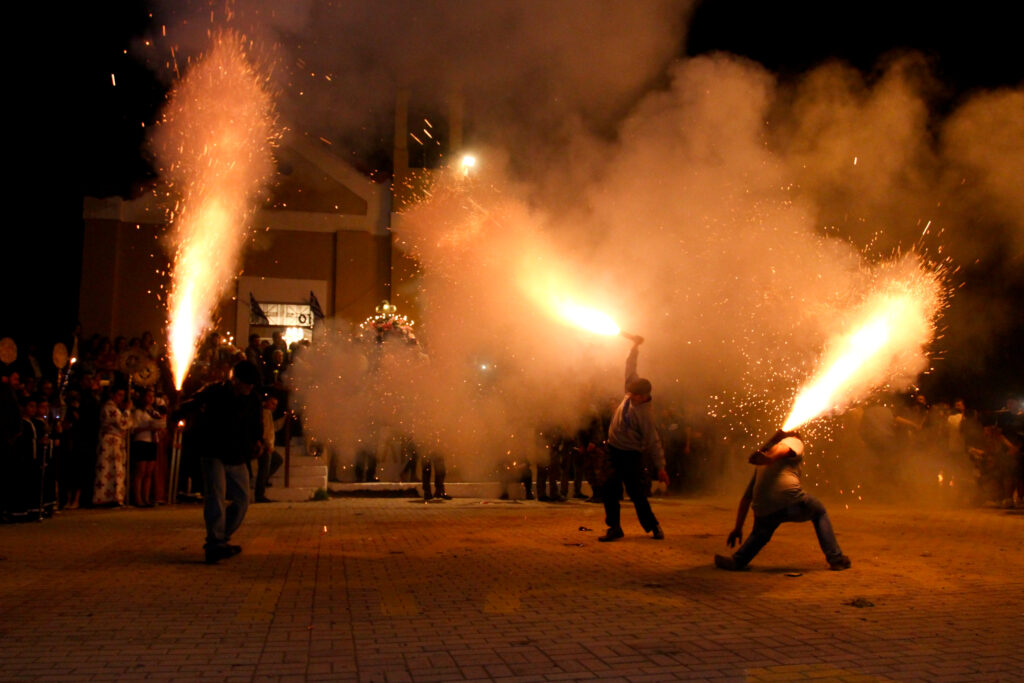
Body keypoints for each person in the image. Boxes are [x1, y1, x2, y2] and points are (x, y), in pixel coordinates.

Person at [715, 432, 851, 571]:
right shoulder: (792, 440)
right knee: (819, 511)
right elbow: (784, 449)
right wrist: (769, 459)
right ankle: (836, 559)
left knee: (760, 533)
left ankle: (738, 561)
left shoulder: (760, 464)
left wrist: (738, 528)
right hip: (790, 500)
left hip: (764, 510)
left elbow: (746, 498)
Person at [181, 360, 262, 564]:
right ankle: (215, 543)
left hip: (237, 454)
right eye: (247, 383)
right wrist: (178, 413)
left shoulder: (252, 398)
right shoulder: (215, 391)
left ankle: (220, 538)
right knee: (215, 497)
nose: (250, 387)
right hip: (213, 451)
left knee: (243, 500)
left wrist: (257, 440)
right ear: (236, 381)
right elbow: (194, 402)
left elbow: (255, 423)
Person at [597, 335, 669, 542]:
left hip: (630, 456)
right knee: (609, 490)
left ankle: (653, 526)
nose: (631, 396)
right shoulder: (632, 389)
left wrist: (661, 467)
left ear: (645, 396)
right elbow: (630, 365)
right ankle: (614, 528)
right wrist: (635, 347)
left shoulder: (646, 415)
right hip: (612, 450)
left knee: (637, 493)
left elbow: (653, 442)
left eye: (636, 396)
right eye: (631, 394)